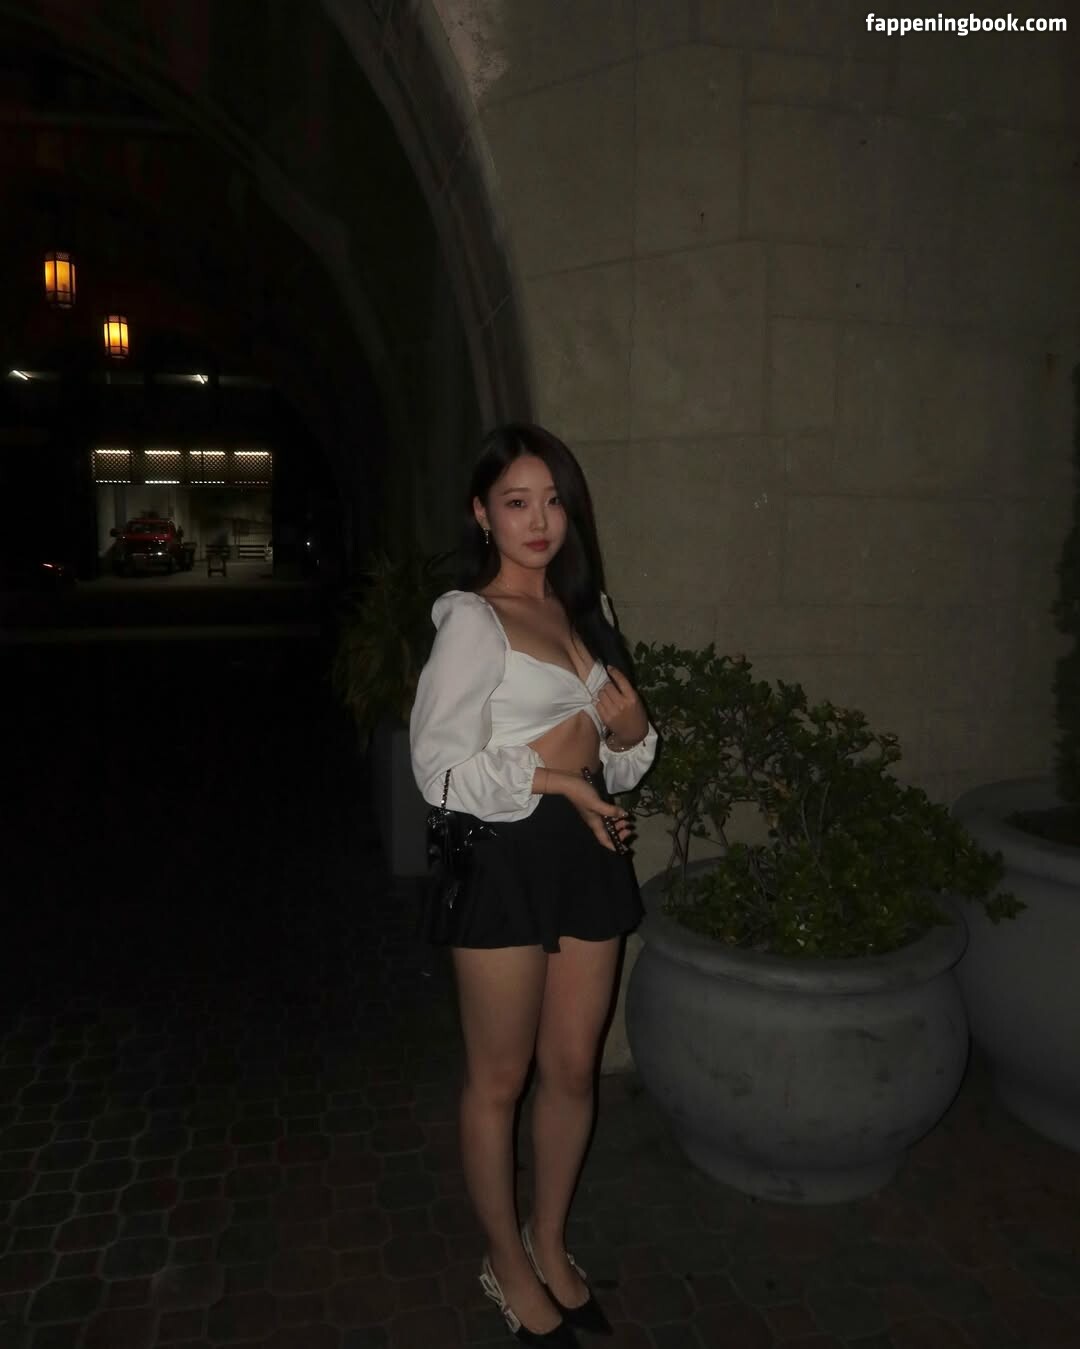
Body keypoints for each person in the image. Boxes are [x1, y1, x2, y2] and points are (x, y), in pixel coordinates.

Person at [410, 424, 657, 1346]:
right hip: (504, 854)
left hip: (588, 848)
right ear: (482, 514)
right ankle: (505, 1262)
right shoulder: (473, 622)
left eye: (553, 499)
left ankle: (548, 1242)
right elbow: (438, 771)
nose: (539, 519)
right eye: (517, 502)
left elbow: (619, 759)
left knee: (572, 1067)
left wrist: (629, 735)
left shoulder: (587, 609)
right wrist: (562, 782)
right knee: (500, 1077)